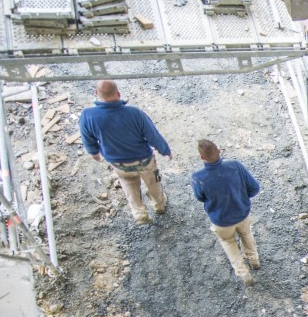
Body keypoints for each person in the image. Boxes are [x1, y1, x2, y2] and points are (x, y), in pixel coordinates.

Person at [78, 80, 172, 225]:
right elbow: (152, 134)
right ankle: (159, 205)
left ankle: (139, 213)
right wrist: (165, 150)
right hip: (144, 161)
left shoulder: (87, 116)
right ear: (118, 93)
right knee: (153, 182)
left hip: (118, 163)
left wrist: (94, 153)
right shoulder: (134, 113)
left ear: (96, 94)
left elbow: (87, 138)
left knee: (128, 185)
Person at [190, 139, 262, 285]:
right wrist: (241, 199)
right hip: (242, 214)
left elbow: (199, 197)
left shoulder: (198, 178)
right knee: (246, 234)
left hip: (221, 221)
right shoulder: (236, 166)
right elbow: (254, 188)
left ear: (201, 158)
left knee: (228, 243)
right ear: (219, 151)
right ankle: (254, 261)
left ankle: (243, 273)